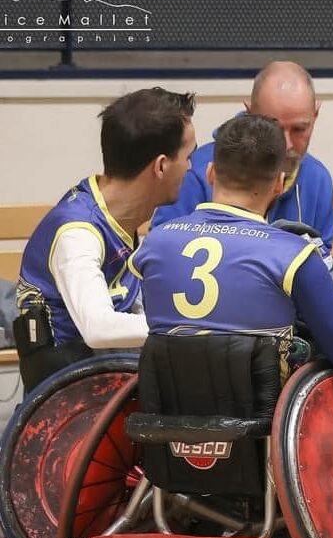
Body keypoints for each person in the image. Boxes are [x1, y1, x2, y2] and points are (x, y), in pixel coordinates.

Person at [129, 114, 333, 385]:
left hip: (165, 405)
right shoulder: (294, 255)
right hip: (264, 409)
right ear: (279, 184)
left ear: (210, 173)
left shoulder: (154, 243)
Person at [13, 87, 196, 391]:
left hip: (106, 381)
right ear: (161, 166)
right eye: (188, 156)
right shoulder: (78, 233)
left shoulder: (118, 214)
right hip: (67, 401)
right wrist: (193, 324)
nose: (191, 167)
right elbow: (98, 329)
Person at [152, 62, 333, 243]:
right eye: (274, 127)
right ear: (250, 112)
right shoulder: (192, 173)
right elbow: (161, 249)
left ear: (315, 114)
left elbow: (323, 256)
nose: (286, 145)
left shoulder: (318, 179)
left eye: (299, 129)